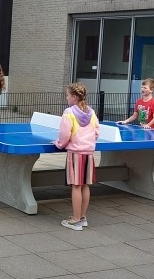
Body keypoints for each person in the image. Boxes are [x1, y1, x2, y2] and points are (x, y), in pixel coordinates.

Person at [53, 82, 99, 231]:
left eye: (67, 95)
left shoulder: (69, 112)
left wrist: (59, 144)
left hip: (76, 153)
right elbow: (97, 131)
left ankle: (75, 219)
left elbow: (65, 134)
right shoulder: (91, 112)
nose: (66, 98)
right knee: (85, 185)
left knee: (76, 186)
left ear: (73, 97)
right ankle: (83, 217)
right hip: (89, 153)